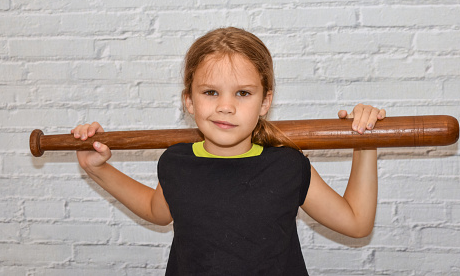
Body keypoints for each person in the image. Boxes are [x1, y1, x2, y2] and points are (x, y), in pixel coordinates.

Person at [72, 27, 386, 275]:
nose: (225, 106)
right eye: (210, 92)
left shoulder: (287, 165)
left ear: (265, 102)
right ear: (189, 101)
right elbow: (157, 212)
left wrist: (365, 141)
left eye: (243, 93)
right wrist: (97, 168)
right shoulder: (177, 162)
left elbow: (356, 223)